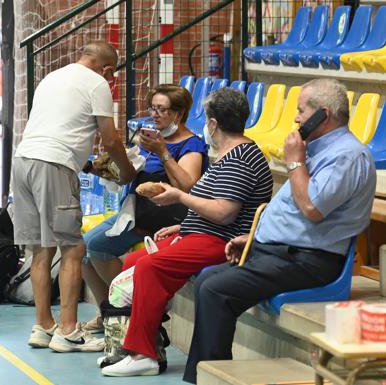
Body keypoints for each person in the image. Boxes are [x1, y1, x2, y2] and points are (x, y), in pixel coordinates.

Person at [182, 78, 377, 383]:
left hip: (310, 260)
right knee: (208, 277)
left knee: (216, 290)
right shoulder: (315, 148)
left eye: (301, 111)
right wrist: (255, 237)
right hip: (280, 251)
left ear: (322, 115)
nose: (296, 118)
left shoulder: (346, 155)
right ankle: (207, 374)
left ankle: (205, 377)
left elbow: (312, 209)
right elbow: (289, 211)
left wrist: (295, 163)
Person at [100, 87, 273, 377]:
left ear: (214, 124)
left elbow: (224, 212)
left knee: (149, 268)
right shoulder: (227, 154)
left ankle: (143, 354)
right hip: (201, 233)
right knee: (133, 262)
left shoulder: (242, 158)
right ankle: (146, 343)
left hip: (222, 241)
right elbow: (213, 204)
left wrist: (179, 198)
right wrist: (183, 224)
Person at [12, 42, 136, 352]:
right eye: (111, 74)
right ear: (107, 69)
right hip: (53, 165)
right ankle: (69, 330)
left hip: (24, 160)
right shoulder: (97, 83)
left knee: (41, 248)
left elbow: (55, 128)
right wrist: (126, 171)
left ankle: (44, 324)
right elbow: (110, 138)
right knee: (73, 248)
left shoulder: (52, 77)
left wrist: (90, 166)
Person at [81, 84, 208, 333]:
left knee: (96, 246)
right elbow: (130, 176)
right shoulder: (149, 139)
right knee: (82, 251)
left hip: (162, 217)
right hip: (135, 211)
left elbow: (187, 186)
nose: (155, 114)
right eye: (153, 108)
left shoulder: (191, 145)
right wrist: (102, 169)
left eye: (162, 109)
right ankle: (110, 312)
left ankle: (130, 306)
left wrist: (162, 152)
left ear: (179, 114)